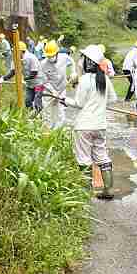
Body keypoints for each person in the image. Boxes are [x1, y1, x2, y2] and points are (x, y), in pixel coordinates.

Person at [73, 44, 119, 200]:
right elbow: (113, 99)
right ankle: (108, 190)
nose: (81, 61)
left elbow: (79, 103)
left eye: (83, 59)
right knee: (102, 157)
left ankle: (86, 194)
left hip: (84, 126)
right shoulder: (105, 79)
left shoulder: (85, 79)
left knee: (84, 159)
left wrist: (65, 100)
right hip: (100, 126)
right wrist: (99, 104)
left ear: (89, 62)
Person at [39, 41, 73, 129]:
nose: (50, 57)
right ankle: (47, 131)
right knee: (47, 112)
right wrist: (53, 92)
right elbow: (44, 81)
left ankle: (57, 132)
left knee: (60, 111)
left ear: (57, 53)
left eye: (52, 55)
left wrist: (74, 73)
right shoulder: (43, 64)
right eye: (48, 56)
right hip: (49, 91)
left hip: (62, 88)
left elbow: (72, 62)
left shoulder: (64, 58)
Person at [2, 40, 43, 111]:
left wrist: (24, 79)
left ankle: (39, 116)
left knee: (37, 101)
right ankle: (31, 116)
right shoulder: (15, 59)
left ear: (21, 51)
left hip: (39, 83)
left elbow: (34, 73)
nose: (14, 53)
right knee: (28, 101)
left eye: (16, 51)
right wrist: (3, 78)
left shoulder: (31, 57)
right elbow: (13, 72)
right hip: (29, 84)